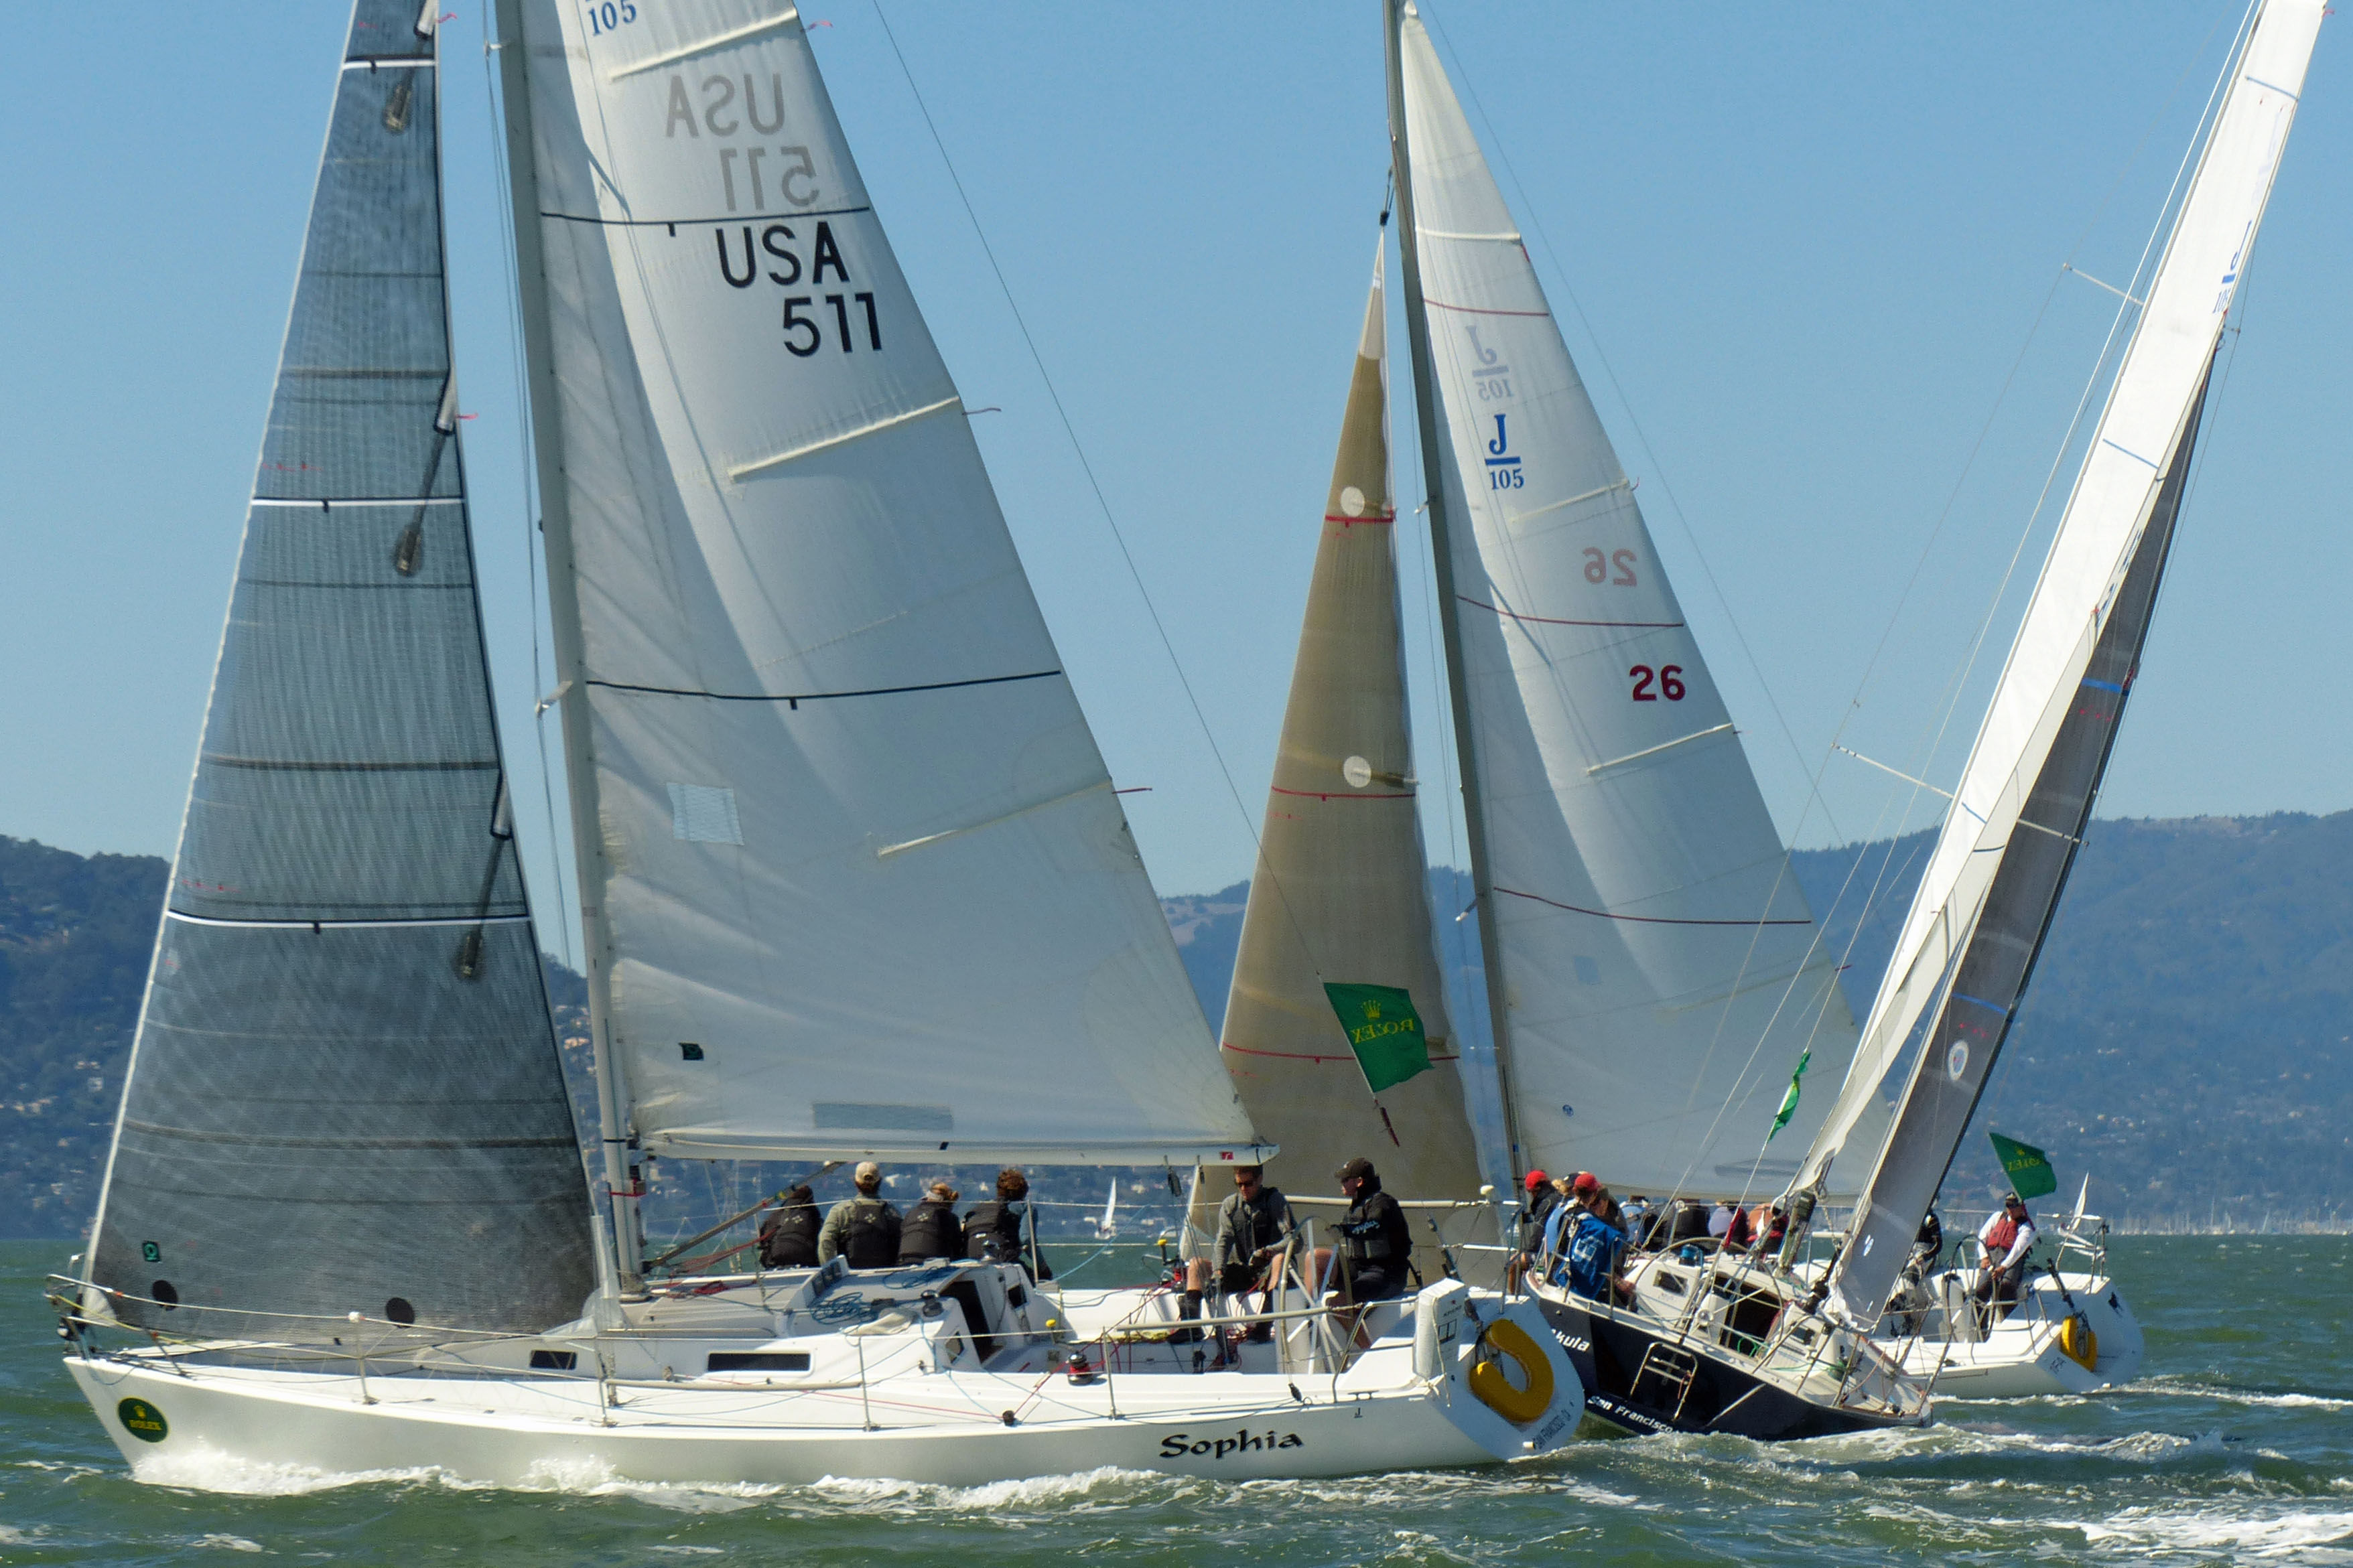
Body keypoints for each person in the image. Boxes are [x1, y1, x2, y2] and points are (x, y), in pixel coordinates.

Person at [1183, 1163, 1292, 1342]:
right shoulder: (1231, 1206)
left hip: (1272, 1270)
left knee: (1280, 1259)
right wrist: (1218, 1271)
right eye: (1239, 1184)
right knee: (1196, 1264)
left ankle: (1264, 1325)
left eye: (1248, 1184)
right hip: (1246, 1271)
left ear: (1259, 1179)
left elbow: (1294, 1240)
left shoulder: (1274, 1201)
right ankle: (1190, 1326)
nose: (1243, 1189)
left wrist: (1268, 1252)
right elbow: (1223, 1241)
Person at [1323, 1157, 1413, 1305]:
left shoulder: (1383, 1203)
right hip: (1358, 1268)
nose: (1341, 1183)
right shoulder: (1356, 1206)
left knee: (1338, 1302)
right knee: (1316, 1257)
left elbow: (1374, 1226)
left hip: (1386, 1272)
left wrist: (1344, 1230)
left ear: (1359, 1182)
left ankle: (1345, 1312)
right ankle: (1311, 1306)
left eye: (1345, 1180)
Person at [963, 1167, 1053, 1279]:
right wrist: (1043, 1268)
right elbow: (1026, 1239)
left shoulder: (979, 1209)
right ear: (1023, 1191)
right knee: (1039, 1281)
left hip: (970, 1260)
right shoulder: (1024, 1207)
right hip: (1001, 1258)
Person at [1546, 1186, 1628, 1302]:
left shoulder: (1564, 1210)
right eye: (1595, 1203)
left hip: (1600, 1272)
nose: (1598, 1206)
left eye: (1603, 1202)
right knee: (1621, 1299)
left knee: (1626, 1298)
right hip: (1584, 1275)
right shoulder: (1587, 1220)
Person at [817, 1161, 902, 1268]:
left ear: (855, 1182)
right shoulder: (892, 1212)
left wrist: (833, 1271)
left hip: (850, 1275)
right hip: (884, 1275)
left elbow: (825, 1240)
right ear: (880, 1181)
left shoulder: (841, 1211)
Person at [1972, 1192, 2037, 1320]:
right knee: (1980, 1292)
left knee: (2006, 1288)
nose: (2010, 1209)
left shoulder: (2027, 1227)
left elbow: (2017, 1251)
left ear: (2021, 1207)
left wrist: (2003, 1267)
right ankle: (1980, 1327)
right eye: (2008, 1205)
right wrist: (1984, 1257)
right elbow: (1982, 1237)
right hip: (1991, 1259)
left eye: (2014, 1206)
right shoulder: (1997, 1217)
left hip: (2012, 1263)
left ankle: (2009, 1321)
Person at [755, 1182, 821, 1269]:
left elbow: (763, 1240)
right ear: (810, 1197)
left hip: (776, 1261)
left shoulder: (775, 1215)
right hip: (806, 1262)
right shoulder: (812, 1214)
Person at [898, 1181, 963, 1264]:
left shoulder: (910, 1214)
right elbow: (957, 1249)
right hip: (933, 1266)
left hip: (904, 1263)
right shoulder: (948, 1217)